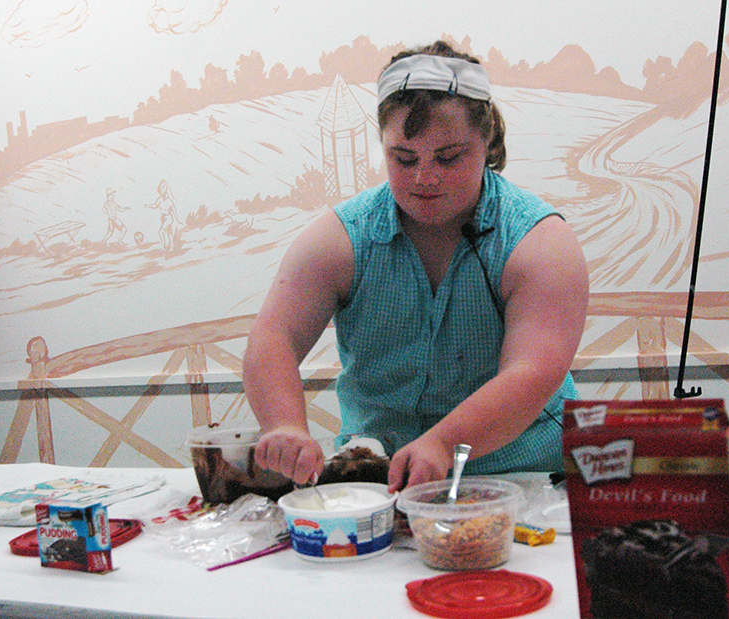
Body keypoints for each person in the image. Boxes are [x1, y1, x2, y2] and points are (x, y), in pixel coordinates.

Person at [243, 41, 588, 493]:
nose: (425, 177)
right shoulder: (341, 239)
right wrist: (284, 423)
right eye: (403, 159)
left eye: (449, 157)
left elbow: (532, 371)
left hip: (529, 480)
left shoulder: (538, 241)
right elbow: (274, 336)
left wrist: (443, 445)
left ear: (488, 141)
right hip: (379, 483)